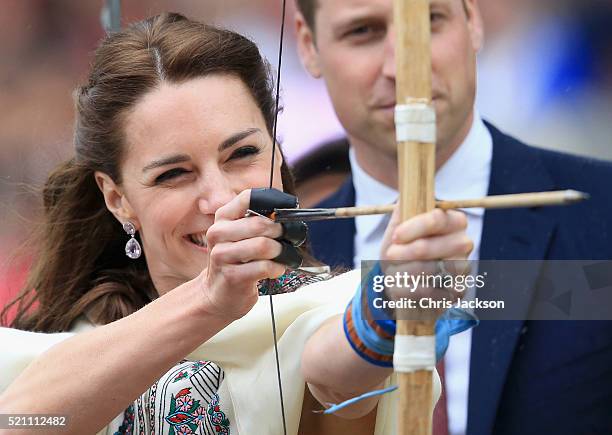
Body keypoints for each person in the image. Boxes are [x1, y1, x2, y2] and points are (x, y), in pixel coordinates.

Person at [0, 13, 474, 435]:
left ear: (278, 150)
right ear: (117, 198)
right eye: (173, 174)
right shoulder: (76, 336)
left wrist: (385, 305)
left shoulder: (325, 306)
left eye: (243, 154)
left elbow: (337, 371)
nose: (221, 199)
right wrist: (209, 300)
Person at [294, 0, 612, 434]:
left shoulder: (600, 210)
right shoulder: (289, 256)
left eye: (429, 21)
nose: (403, 65)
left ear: (473, 19)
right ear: (308, 45)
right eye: (363, 31)